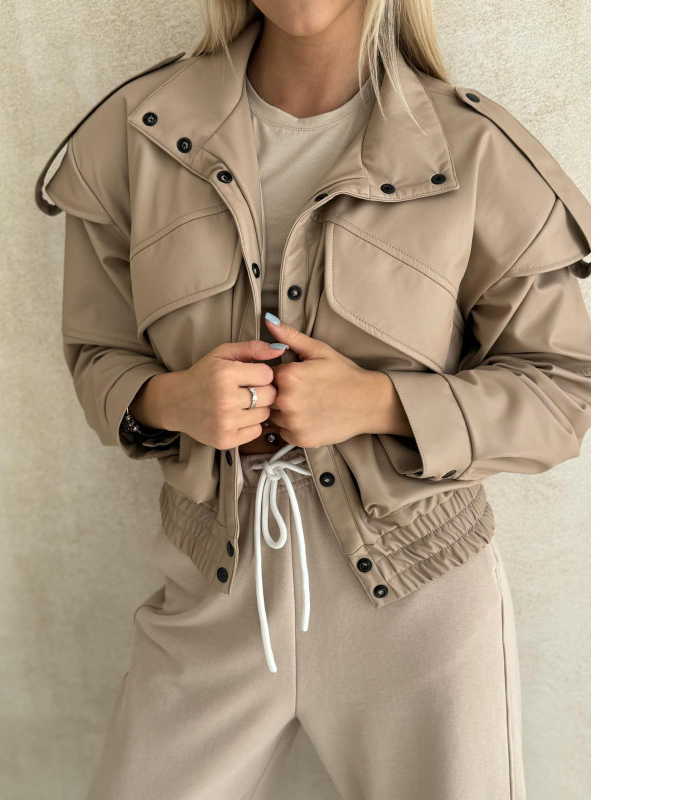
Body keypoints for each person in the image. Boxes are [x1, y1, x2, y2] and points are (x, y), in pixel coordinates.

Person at [34, 2, 591, 798]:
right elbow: (97, 352)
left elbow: (561, 389)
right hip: (211, 589)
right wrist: (171, 401)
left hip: (419, 602)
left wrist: (377, 403)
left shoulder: (473, 150)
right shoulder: (137, 132)